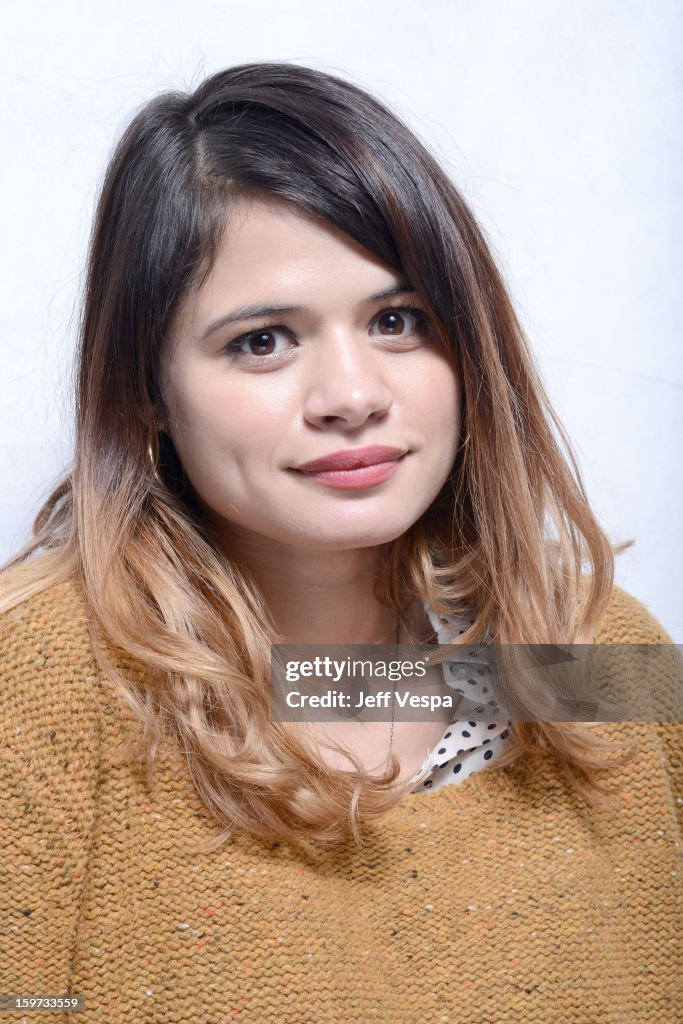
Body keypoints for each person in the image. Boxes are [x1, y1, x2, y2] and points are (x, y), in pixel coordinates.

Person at [0, 61, 680, 1023]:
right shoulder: (40, 686)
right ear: (146, 388)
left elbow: (325, 679)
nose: (353, 395)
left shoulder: (600, 657)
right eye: (263, 341)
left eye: (398, 321)